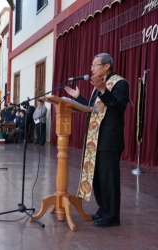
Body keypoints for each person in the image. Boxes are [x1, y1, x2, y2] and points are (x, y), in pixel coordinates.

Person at [64, 53, 130, 227]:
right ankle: (103, 210)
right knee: (98, 178)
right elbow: (93, 110)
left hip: (109, 139)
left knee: (109, 179)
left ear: (107, 66)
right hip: (95, 138)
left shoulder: (120, 83)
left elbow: (119, 107)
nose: (92, 68)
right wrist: (78, 98)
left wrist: (103, 91)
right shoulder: (98, 86)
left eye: (95, 65)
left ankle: (112, 216)